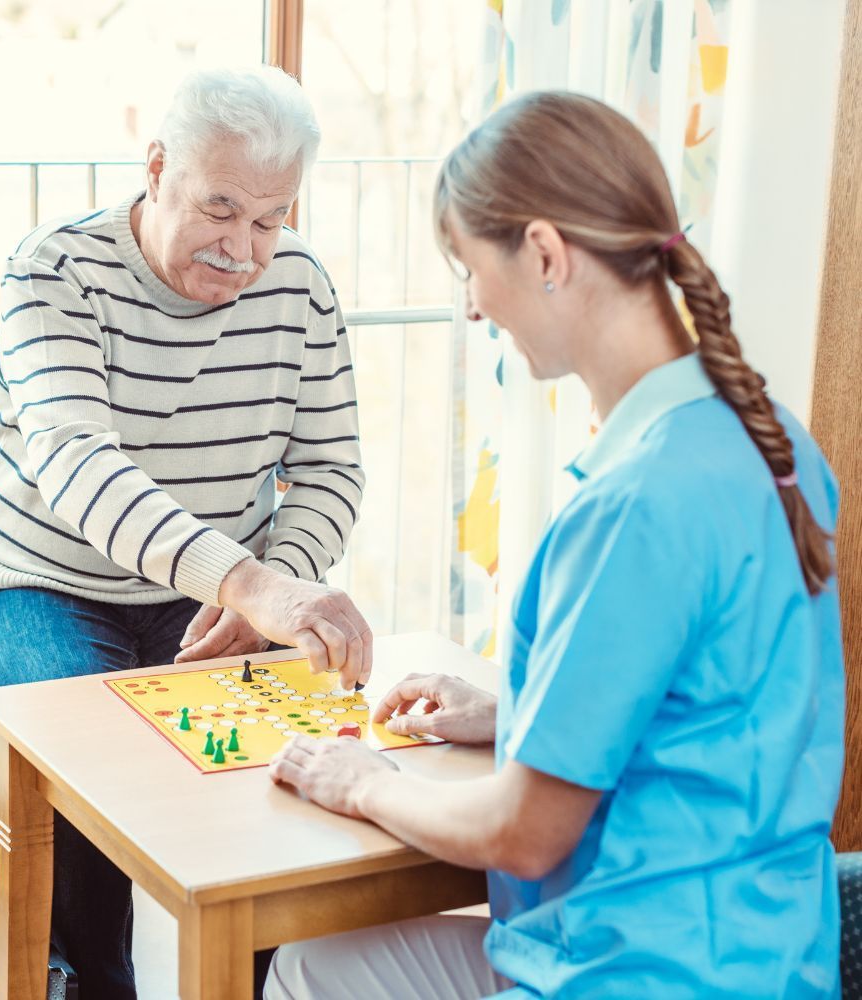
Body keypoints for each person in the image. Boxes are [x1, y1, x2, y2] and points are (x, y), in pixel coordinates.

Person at [265, 91, 844, 999]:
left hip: (639, 973)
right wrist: (520, 709)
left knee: (303, 969)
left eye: (467, 270)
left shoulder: (636, 503)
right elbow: (715, 689)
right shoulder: (770, 440)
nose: (469, 308)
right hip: (768, 956)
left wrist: (360, 781)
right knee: (314, 967)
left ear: (543, 253)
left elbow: (525, 833)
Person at [0, 66, 371, 999]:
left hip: (216, 585)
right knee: (96, 776)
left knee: (275, 770)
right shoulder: (51, 271)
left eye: (270, 220)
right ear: (156, 169)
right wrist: (252, 585)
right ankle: (90, 980)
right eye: (221, 209)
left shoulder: (299, 286)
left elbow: (332, 470)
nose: (245, 250)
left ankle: (253, 983)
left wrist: (283, 577)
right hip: (37, 577)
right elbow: (78, 467)